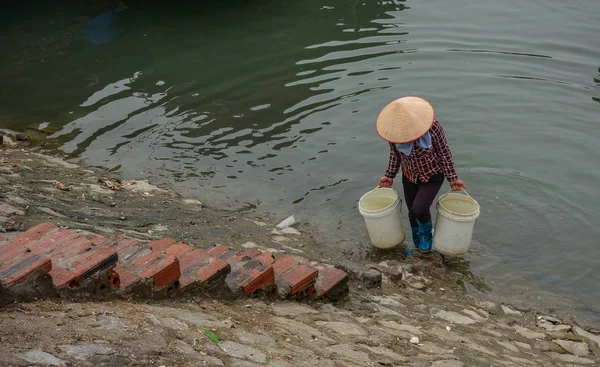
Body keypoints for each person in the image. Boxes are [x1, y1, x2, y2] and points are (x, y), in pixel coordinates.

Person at [376, 96, 466, 254]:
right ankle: (417, 245)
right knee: (411, 212)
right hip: (409, 175)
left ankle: (426, 244)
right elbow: (395, 155)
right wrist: (389, 175)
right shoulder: (395, 134)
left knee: (419, 208)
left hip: (432, 175)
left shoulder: (433, 128)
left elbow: (444, 153)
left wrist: (452, 178)